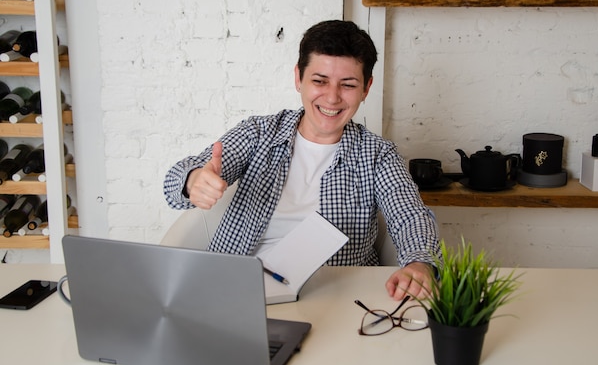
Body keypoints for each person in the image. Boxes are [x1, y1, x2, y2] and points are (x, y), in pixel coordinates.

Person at [164, 20, 440, 300]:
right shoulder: (258, 133)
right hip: (237, 289)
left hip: (334, 297)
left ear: (366, 88)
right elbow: (176, 180)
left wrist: (420, 264)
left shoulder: (378, 155)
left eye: (348, 85)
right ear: (299, 78)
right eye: (319, 81)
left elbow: (410, 216)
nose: (332, 98)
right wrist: (192, 180)